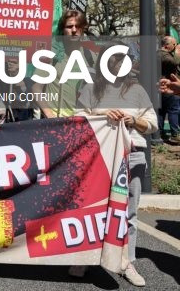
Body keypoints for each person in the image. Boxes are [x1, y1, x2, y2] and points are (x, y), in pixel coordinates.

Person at [72, 45, 158, 287]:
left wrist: (135, 121)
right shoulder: (90, 88)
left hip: (133, 155)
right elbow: (79, 118)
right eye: (116, 59)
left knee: (129, 211)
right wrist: (103, 116)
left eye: (125, 59)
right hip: (101, 156)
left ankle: (126, 262)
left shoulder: (138, 90)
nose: (122, 63)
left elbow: (152, 124)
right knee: (95, 209)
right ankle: (86, 257)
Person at [158, 36, 180, 143]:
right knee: (174, 110)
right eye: (174, 45)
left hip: (160, 86)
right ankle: (175, 134)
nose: (175, 47)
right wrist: (177, 53)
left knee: (161, 111)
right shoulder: (164, 55)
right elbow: (175, 62)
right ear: (167, 45)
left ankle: (159, 134)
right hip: (169, 87)